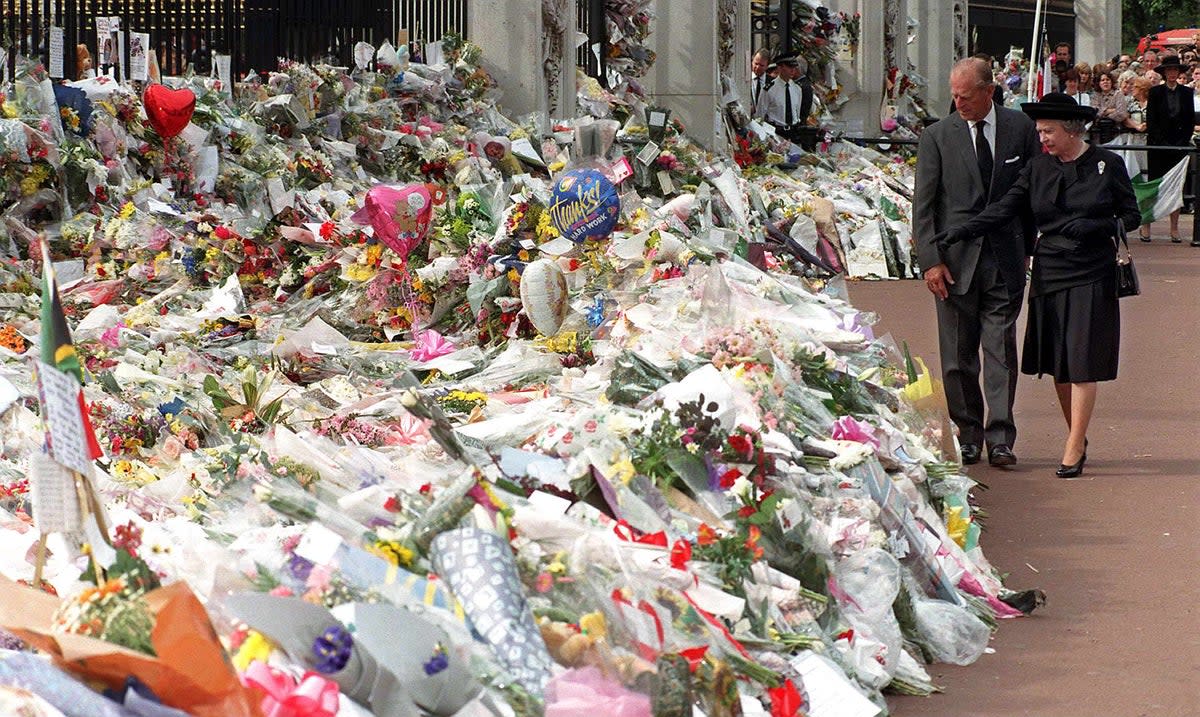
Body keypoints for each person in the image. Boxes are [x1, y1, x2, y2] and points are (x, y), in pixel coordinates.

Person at [935, 93, 1141, 478]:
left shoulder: (1107, 164)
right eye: (1039, 131)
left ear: (1070, 131)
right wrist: (961, 231)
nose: (1041, 138)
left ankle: (1073, 444)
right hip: (1051, 271)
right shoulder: (1036, 168)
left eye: (1047, 132)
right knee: (1060, 362)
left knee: (1082, 361)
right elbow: (1005, 208)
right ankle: (1077, 436)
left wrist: (1097, 226)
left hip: (1092, 270)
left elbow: (1131, 215)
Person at [913, 57, 1041, 467]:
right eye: (954, 95)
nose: (958, 102)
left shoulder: (1020, 129)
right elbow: (924, 206)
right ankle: (967, 432)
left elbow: (1029, 194)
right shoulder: (937, 136)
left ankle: (1000, 437)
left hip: (1004, 259)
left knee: (1001, 349)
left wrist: (1028, 248)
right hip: (952, 263)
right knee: (956, 354)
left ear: (989, 91)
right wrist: (931, 261)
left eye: (966, 96)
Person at [1145, 55, 1194, 243]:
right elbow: (1151, 120)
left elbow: (1189, 121)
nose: (1172, 73)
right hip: (1158, 145)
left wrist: (1181, 142)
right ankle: (1146, 225)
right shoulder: (1155, 92)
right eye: (1169, 70)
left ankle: (1174, 228)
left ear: (1179, 72)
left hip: (1179, 145)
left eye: (1175, 70)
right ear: (1164, 73)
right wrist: (1161, 141)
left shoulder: (1186, 93)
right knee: (1153, 186)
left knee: (1177, 186)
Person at [756, 53, 815, 147]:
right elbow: (759, 116)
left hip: (794, 133)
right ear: (779, 68)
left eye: (794, 67)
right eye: (789, 67)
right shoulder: (769, 89)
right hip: (777, 133)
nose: (793, 70)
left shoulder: (797, 88)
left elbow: (797, 112)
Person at [1091, 69, 1127, 144]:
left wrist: (1103, 113)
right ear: (1099, 83)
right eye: (1102, 80)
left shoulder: (1118, 94)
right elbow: (1094, 113)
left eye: (1108, 79)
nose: (1105, 82)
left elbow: (1122, 114)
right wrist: (1110, 110)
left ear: (1111, 82)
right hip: (1098, 135)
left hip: (1116, 134)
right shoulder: (1095, 96)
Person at [750, 49, 773, 117]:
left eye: (761, 65)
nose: (758, 67)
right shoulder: (745, 80)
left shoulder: (772, 82)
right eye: (756, 64)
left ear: (767, 66)